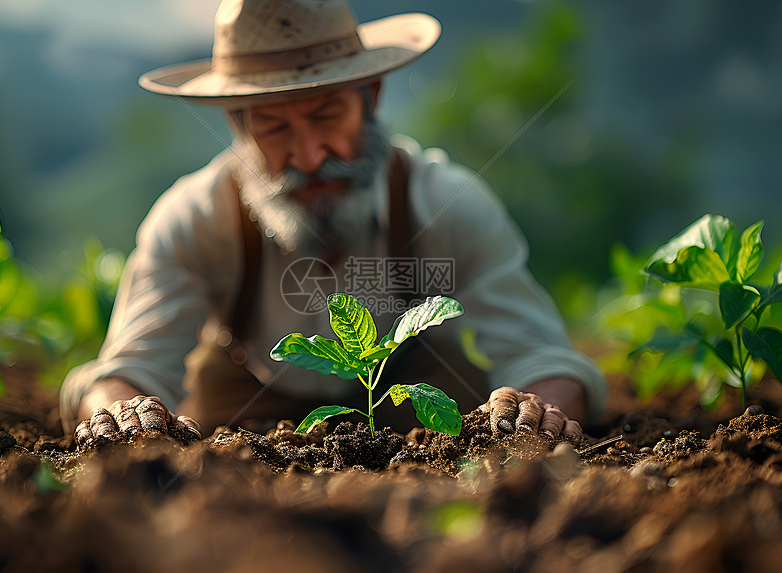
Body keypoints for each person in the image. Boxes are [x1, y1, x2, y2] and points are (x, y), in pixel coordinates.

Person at [60, 0, 607, 445]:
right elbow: (129, 367)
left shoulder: (448, 204)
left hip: (412, 395)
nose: (310, 156)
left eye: (327, 116)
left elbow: (541, 357)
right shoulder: (195, 220)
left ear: (370, 98)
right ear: (238, 123)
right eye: (274, 128)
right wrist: (118, 414)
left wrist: (539, 411)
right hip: (246, 398)